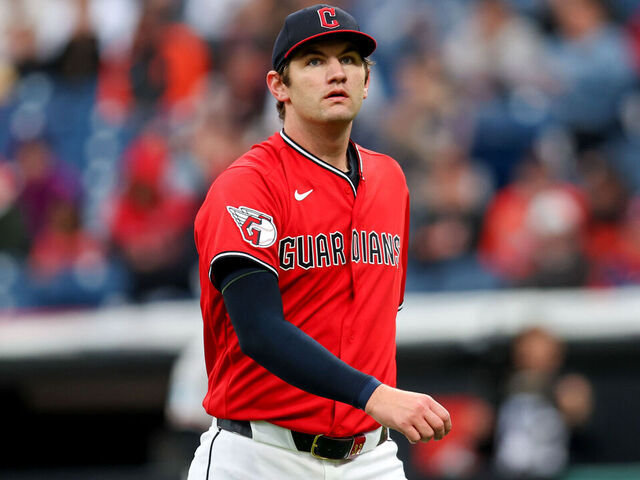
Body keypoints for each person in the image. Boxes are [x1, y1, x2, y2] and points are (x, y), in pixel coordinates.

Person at [188, 4, 451, 479]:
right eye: (314, 61)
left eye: (350, 60)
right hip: (260, 454)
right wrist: (374, 395)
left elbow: (374, 319)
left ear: (367, 82)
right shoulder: (248, 185)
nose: (337, 73)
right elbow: (259, 330)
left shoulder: (391, 180)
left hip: (369, 457)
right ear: (278, 86)